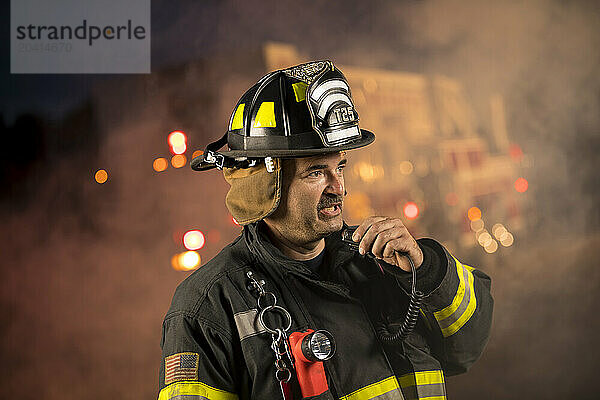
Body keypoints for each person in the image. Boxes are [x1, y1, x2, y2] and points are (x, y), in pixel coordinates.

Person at [158, 61, 493, 400]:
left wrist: (427, 269)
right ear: (263, 186)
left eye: (340, 167)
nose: (339, 188)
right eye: (316, 172)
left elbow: (466, 349)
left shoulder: (382, 262)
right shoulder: (207, 307)